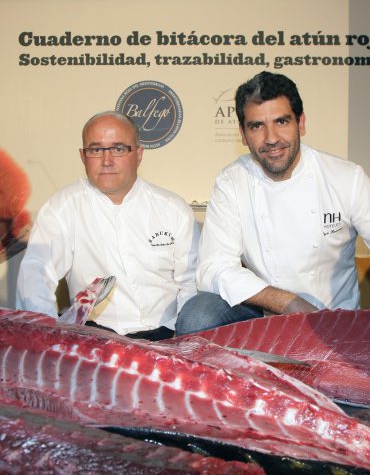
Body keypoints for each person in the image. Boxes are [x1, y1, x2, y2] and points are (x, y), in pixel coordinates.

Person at [176, 71, 370, 335]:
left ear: (301, 123)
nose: (271, 138)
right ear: (243, 135)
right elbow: (213, 268)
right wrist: (289, 303)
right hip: (264, 311)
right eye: (256, 126)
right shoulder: (233, 181)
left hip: (332, 317)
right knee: (198, 315)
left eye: (281, 121)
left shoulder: (346, 177)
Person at [16, 111, 199, 340]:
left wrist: (182, 339)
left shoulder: (173, 209)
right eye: (96, 150)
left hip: (166, 334)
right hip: (93, 336)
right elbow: (36, 276)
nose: (107, 161)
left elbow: (192, 284)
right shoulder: (62, 207)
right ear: (83, 156)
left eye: (119, 149)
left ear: (139, 154)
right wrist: (48, 337)